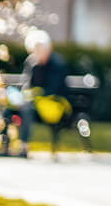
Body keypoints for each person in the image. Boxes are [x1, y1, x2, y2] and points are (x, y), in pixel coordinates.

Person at [13, 28, 69, 157]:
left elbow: (53, 89)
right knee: (9, 109)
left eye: (40, 49)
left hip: (55, 105)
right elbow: (27, 85)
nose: (37, 52)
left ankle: (24, 147)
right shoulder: (32, 63)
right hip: (36, 104)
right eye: (35, 49)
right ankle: (3, 145)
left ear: (48, 48)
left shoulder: (57, 64)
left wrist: (32, 95)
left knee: (26, 109)